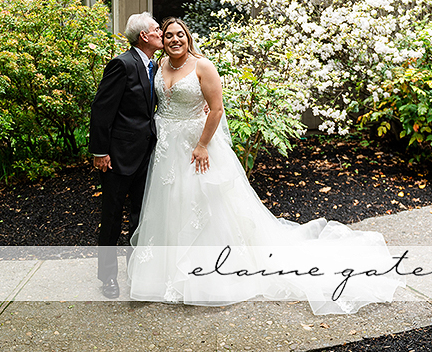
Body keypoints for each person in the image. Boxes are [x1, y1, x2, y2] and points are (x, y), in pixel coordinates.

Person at [127, 18, 404, 314]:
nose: (174, 39)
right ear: (162, 40)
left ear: (188, 37)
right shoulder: (159, 66)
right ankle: (167, 273)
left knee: (202, 205)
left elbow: (216, 109)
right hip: (167, 148)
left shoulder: (203, 66)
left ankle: (208, 274)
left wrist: (203, 144)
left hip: (197, 146)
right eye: (169, 35)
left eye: (180, 34)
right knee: (171, 204)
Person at [89, 12, 163, 299]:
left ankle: (136, 273)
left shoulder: (154, 66)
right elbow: (102, 108)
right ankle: (108, 276)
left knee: (139, 217)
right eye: (157, 29)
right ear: (144, 35)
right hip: (117, 157)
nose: (161, 33)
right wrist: (101, 151)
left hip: (147, 155)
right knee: (112, 218)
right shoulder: (122, 64)